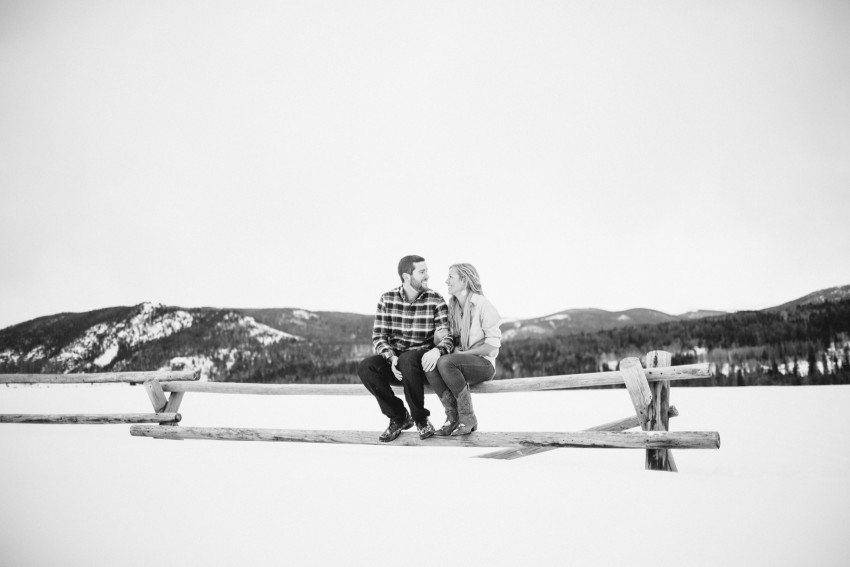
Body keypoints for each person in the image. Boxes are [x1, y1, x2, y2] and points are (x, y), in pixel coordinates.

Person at [358, 255, 454, 442]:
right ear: (406, 276)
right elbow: (379, 337)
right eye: (422, 271)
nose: (427, 275)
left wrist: (437, 350)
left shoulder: (436, 300)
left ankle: (421, 419)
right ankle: (399, 416)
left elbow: (447, 337)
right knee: (366, 367)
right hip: (397, 363)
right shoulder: (387, 299)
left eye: (427, 270)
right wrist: (391, 358)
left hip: (421, 362)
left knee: (408, 358)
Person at [428, 263, 501, 436]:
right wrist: (438, 339)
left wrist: (463, 355)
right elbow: (452, 339)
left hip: (483, 364)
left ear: (464, 280)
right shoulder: (452, 307)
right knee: (430, 365)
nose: (446, 281)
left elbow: (492, 344)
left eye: (451, 277)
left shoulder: (483, 305)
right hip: (459, 362)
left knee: (446, 362)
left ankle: (468, 418)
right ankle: (452, 418)